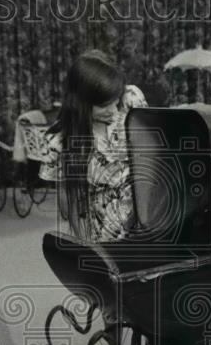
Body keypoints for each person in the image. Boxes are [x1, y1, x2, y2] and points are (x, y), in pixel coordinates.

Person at [39, 49, 147, 243]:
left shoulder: (131, 98)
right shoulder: (58, 141)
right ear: (80, 103)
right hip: (108, 235)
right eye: (104, 105)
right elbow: (69, 205)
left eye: (115, 101)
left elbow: (153, 155)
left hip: (150, 223)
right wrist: (89, 249)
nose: (114, 111)